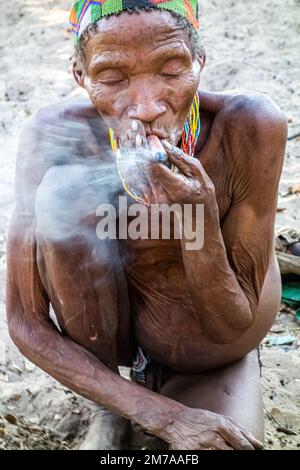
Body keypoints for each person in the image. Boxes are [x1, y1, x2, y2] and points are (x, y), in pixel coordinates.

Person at [6, 0, 287, 450]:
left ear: (200, 62)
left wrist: (197, 217)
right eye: (114, 79)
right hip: (109, 342)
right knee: (64, 194)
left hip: (214, 354)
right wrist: (160, 415)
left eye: (172, 71)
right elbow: (24, 322)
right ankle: (109, 403)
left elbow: (229, 323)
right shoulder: (52, 137)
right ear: (81, 76)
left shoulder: (248, 127)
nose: (146, 107)